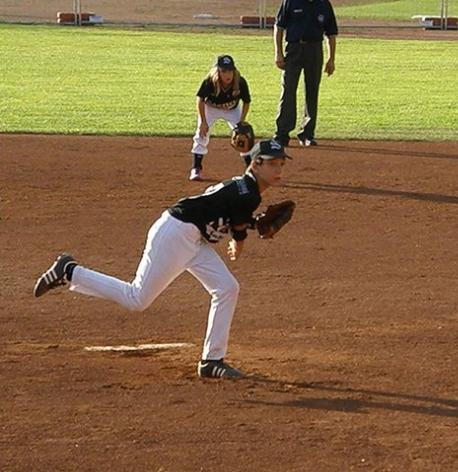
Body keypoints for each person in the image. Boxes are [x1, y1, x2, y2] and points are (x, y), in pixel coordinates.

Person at [33, 140, 291, 379]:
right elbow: (237, 230)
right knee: (137, 299)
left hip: (193, 239)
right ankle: (70, 271)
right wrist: (241, 240)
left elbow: (229, 215)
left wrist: (251, 223)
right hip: (176, 234)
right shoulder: (249, 193)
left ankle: (212, 361)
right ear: (256, 164)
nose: (278, 169)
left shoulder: (244, 189)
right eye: (272, 163)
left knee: (227, 288)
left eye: (281, 163)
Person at [272, 0, 338, 148]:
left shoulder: (324, 4)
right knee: (288, 90)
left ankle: (307, 134)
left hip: (314, 49)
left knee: (312, 91)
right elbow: (279, 26)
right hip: (294, 48)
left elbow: (331, 33)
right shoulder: (291, 1)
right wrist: (278, 53)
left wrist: (331, 58)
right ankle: (282, 134)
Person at [190, 54, 252, 181]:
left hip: (232, 110)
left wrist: (241, 121)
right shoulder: (210, 81)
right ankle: (196, 168)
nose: (228, 74)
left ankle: (250, 170)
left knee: (244, 135)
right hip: (210, 109)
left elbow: (246, 102)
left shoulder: (240, 81)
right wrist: (203, 121)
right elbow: (200, 100)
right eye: (224, 71)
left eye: (230, 70)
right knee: (201, 134)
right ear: (218, 71)